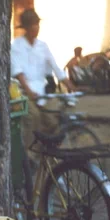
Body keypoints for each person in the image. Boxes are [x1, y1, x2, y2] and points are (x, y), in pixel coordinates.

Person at [11, 9, 76, 147]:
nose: (37, 28)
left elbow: (55, 67)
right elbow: (18, 72)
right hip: (22, 92)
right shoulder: (17, 46)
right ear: (27, 28)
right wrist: (28, 91)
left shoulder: (42, 46)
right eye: (33, 25)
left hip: (41, 91)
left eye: (37, 24)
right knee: (33, 117)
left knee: (54, 120)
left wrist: (69, 84)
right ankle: (29, 155)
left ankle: (46, 154)